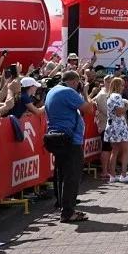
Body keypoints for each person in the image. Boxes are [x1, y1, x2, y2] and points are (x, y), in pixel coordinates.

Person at [47, 70, 95, 223]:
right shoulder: (68, 91)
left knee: (62, 175)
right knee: (72, 177)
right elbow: (88, 109)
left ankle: (65, 207)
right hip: (70, 139)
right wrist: (85, 92)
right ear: (75, 81)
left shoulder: (52, 90)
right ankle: (68, 212)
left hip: (58, 137)